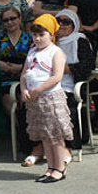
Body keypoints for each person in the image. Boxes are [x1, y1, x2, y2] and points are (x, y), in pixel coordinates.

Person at [21, 14, 73, 183]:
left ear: (51, 35)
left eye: (41, 35)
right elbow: (24, 74)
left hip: (50, 98)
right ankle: (50, 167)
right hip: (35, 101)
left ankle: (60, 168)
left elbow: (57, 76)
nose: (37, 38)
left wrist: (38, 90)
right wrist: (24, 89)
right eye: (35, 35)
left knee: (55, 135)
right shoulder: (32, 51)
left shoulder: (55, 52)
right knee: (45, 135)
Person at [55, 10, 95, 161]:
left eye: (66, 22)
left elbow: (87, 66)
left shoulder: (80, 40)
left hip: (71, 85)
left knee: (65, 105)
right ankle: (39, 147)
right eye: (59, 21)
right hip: (48, 85)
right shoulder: (47, 40)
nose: (62, 25)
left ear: (74, 25)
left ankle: (69, 146)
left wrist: (66, 69)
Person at [0, 6, 33, 117]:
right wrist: (1, 64)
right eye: (6, 20)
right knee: (10, 103)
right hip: (5, 80)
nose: (10, 22)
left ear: (20, 18)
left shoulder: (31, 38)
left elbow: (37, 60)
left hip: (27, 79)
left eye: (13, 18)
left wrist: (21, 67)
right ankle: (17, 132)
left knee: (26, 103)